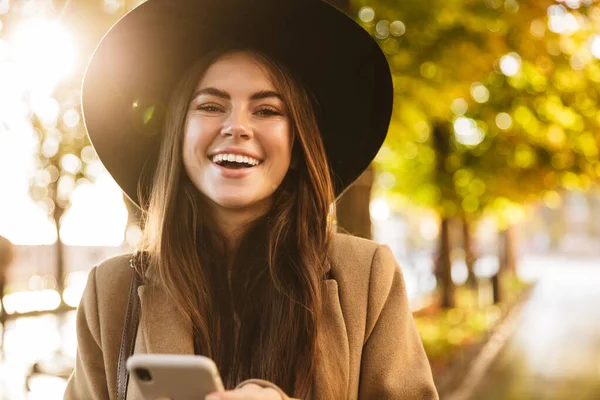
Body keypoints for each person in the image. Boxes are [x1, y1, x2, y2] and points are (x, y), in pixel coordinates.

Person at [64, 0, 438, 399]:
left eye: (266, 110)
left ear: (296, 148)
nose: (237, 126)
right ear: (178, 137)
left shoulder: (367, 279)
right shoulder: (112, 292)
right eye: (210, 106)